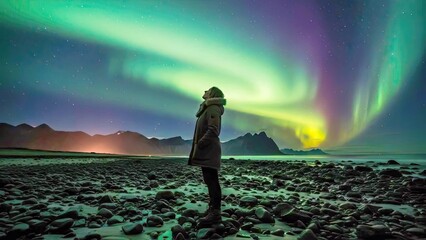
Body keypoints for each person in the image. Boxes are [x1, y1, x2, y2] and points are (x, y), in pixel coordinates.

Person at [188, 86, 226, 224]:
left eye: (207, 90)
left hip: (209, 150)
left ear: (212, 94)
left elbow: (213, 129)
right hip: (207, 150)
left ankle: (215, 213)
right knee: (209, 180)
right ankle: (212, 209)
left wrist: (201, 143)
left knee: (212, 181)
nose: (204, 91)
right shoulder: (208, 108)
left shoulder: (212, 108)